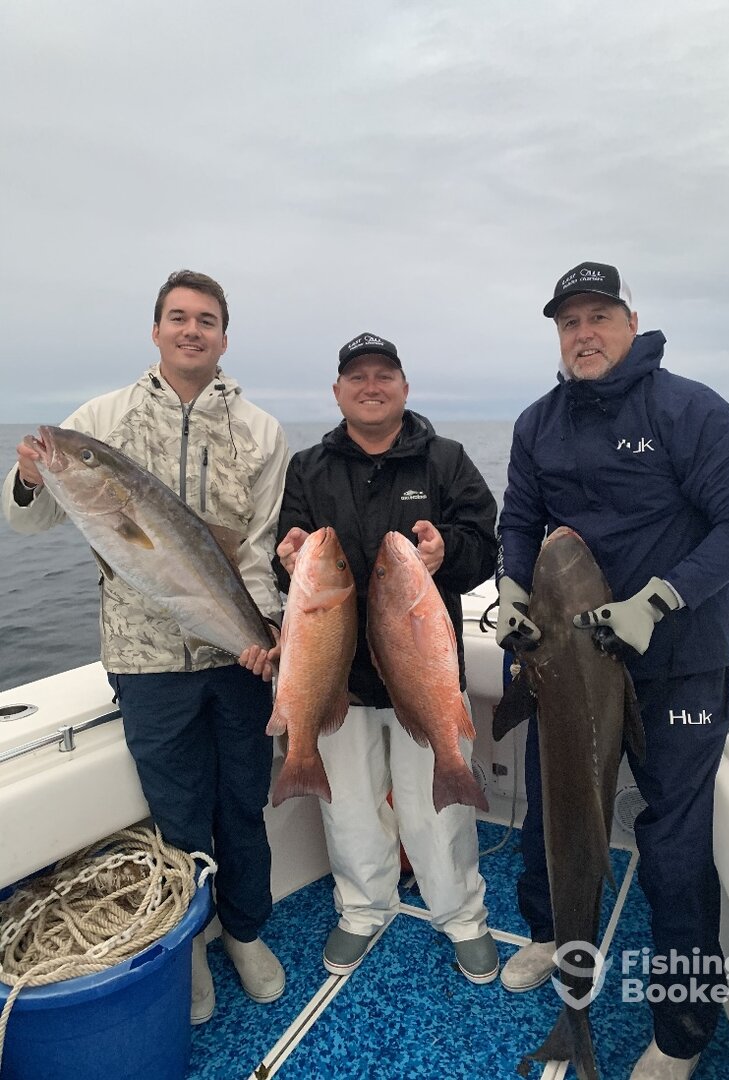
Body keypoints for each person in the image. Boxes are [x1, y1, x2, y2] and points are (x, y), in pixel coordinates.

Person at [495, 262, 729, 1079]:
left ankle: (682, 1033)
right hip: (567, 663)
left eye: (598, 317)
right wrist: (512, 588)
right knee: (552, 815)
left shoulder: (689, 410)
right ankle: (550, 934)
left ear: (631, 323)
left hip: (677, 666)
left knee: (676, 851)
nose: (583, 334)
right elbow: (521, 522)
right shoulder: (538, 424)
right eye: (569, 322)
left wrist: (659, 599)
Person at [2, 270, 290, 1025]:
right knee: (178, 811)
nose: (192, 330)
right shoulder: (102, 420)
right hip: (144, 658)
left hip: (237, 658)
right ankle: (188, 946)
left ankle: (246, 933)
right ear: (155, 329)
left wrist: (264, 634)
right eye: (178, 317)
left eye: (207, 320)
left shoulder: (260, 431)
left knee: (243, 801)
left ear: (224, 337)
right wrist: (31, 475)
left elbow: (257, 547)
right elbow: (30, 521)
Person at [261, 331, 500, 982]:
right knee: (349, 809)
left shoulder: (446, 461)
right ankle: (363, 908)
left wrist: (448, 550)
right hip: (336, 678)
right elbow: (288, 563)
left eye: (384, 375)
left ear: (404, 387)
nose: (371, 386)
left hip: (424, 675)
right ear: (337, 392)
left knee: (437, 812)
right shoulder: (308, 468)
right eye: (357, 377)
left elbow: (485, 546)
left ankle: (462, 917)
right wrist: (289, 561)